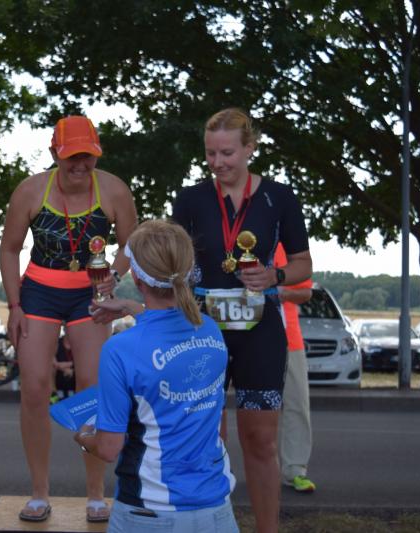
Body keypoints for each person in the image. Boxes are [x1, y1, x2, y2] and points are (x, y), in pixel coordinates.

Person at [171, 108, 312, 533]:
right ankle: (207, 525)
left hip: (259, 331)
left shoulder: (279, 197)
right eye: (210, 153)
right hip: (202, 331)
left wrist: (275, 276)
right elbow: (173, 262)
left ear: (250, 148)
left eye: (227, 153)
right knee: (205, 440)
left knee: (261, 441)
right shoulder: (190, 198)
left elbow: (303, 263)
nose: (217, 162)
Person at [0, 115, 138, 522]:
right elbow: (9, 248)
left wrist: (113, 278)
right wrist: (15, 305)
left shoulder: (114, 189)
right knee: (34, 389)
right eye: (71, 157)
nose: (80, 165)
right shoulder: (30, 190)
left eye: (87, 156)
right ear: (54, 154)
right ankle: (39, 493)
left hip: (89, 295)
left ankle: (95, 494)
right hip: (39, 292)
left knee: (91, 388)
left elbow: (130, 244)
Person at [78, 220, 238, 533]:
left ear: (136, 277)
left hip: (147, 513)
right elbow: (166, 334)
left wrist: (83, 437)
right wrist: (133, 308)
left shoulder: (120, 349)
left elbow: (108, 448)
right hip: (216, 510)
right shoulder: (210, 330)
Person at [274, 243, 316, 493]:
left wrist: (280, 292)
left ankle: (295, 471)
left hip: (289, 338)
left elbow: (306, 292)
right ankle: (219, 469)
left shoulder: (287, 245)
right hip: (239, 336)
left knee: (297, 404)